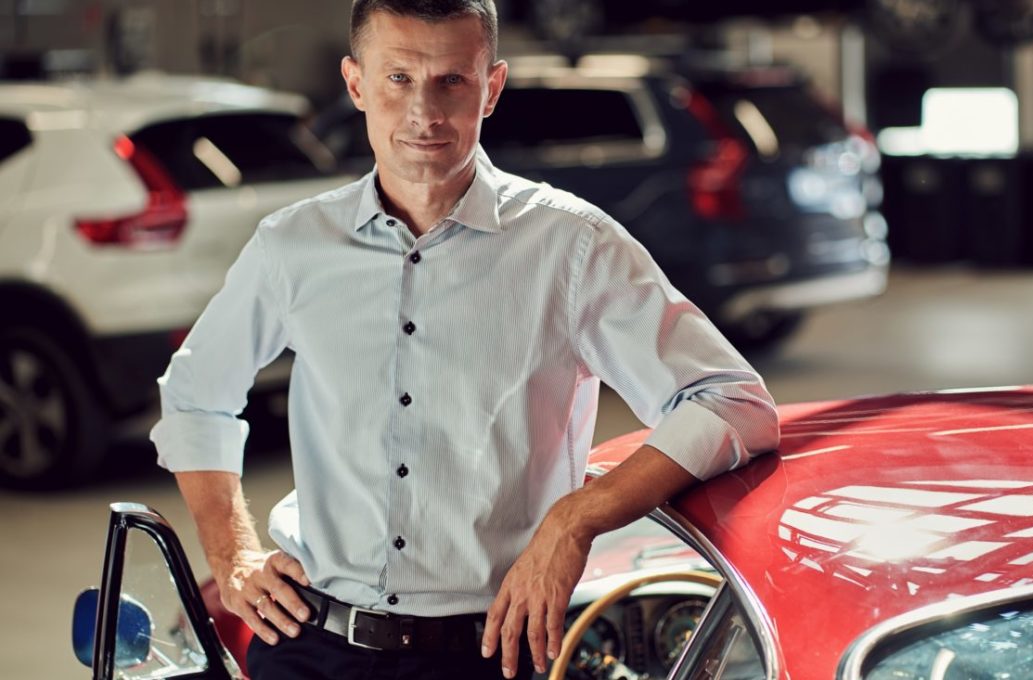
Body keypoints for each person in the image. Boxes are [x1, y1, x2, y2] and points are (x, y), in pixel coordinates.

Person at [149, 1, 780, 678]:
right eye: (398, 79)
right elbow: (195, 394)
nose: (424, 113)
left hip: (489, 653)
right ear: (356, 83)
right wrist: (232, 554)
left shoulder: (574, 247)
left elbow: (731, 401)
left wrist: (578, 518)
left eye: (452, 80)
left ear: (492, 87)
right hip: (310, 642)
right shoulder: (293, 245)